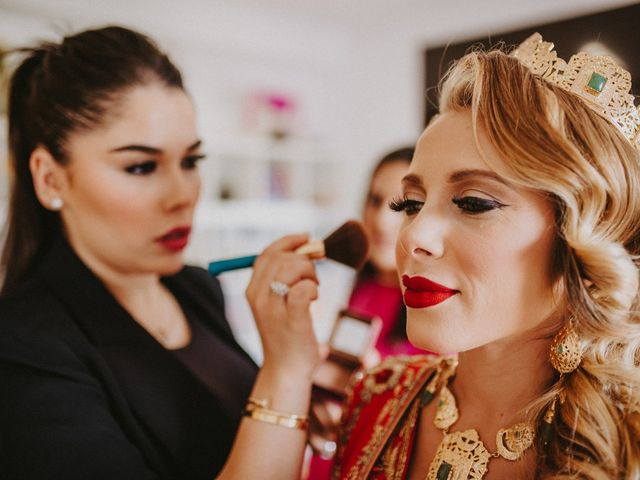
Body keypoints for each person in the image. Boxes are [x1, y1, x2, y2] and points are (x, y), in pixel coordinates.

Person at [219, 33, 640, 479]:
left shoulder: (624, 442)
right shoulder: (375, 398)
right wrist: (286, 371)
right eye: (412, 204)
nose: (414, 235)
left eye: (474, 203)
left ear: (584, 231)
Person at [0, 26, 261, 479]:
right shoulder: (21, 347)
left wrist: (305, 403)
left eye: (191, 162)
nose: (184, 195)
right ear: (50, 179)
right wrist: (285, 382)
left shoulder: (196, 288)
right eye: (141, 166)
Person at [349, 146, 425, 358]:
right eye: (375, 200)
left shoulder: (435, 311)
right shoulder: (361, 290)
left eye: (404, 207)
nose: (381, 221)